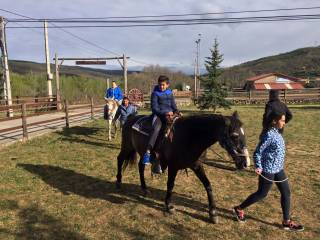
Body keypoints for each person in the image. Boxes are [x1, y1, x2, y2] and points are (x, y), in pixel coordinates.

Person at [233, 113, 304, 232]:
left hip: (279, 169)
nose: (284, 123)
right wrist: (259, 166)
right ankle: (239, 208)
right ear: (274, 121)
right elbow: (257, 152)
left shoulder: (277, 132)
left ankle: (286, 222)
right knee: (262, 194)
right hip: (268, 170)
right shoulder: (268, 135)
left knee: (286, 193)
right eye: (282, 120)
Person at [142, 75, 179, 174]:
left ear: (167, 85)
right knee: (156, 128)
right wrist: (165, 113)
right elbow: (154, 108)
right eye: (160, 85)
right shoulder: (155, 93)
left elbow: (174, 106)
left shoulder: (170, 93)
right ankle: (148, 152)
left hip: (170, 115)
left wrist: (177, 112)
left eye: (163, 85)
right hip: (158, 115)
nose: (161, 87)